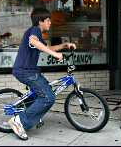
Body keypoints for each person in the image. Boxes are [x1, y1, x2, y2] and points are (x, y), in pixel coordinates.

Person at [8, 7, 76, 140]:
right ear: (40, 21)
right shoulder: (34, 30)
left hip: (31, 71)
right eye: (48, 20)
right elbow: (34, 42)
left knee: (45, 92)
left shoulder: (38, 33)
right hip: (25, 71)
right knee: (48, 98)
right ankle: (19, 122)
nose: (50, 23)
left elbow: (46, 47)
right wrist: (55, 54)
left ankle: (31, 117)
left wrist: (64, 45)